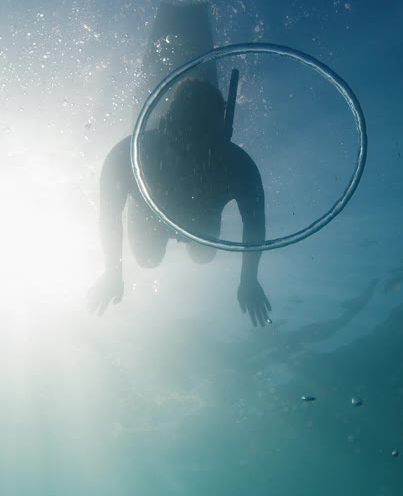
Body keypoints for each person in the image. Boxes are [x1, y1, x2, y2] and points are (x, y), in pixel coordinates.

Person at [88, 77, 272, 326]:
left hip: (196, 215)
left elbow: (254, 226)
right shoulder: (129, 155)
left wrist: (249, 279)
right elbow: (108, 216)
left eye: (201, 136)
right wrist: (112, 270)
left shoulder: (239, 166)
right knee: (148, 258)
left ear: (221, 135)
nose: (190, 149)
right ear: (166, 125)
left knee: (202, 254)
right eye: (185, 132)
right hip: (151, 212)